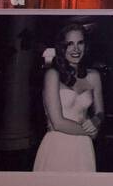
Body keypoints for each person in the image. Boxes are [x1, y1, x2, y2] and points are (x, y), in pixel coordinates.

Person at [33, 21, 104, 172]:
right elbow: (58, 123)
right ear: (62, 47)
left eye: (80, 43)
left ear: (86, 46)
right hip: (58, 145)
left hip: (84, 147)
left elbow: (100, 112)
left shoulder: (94, 76)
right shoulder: (53, 75)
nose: (76, 49)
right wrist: (90, 132)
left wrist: (96, 121)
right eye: (70, 44)